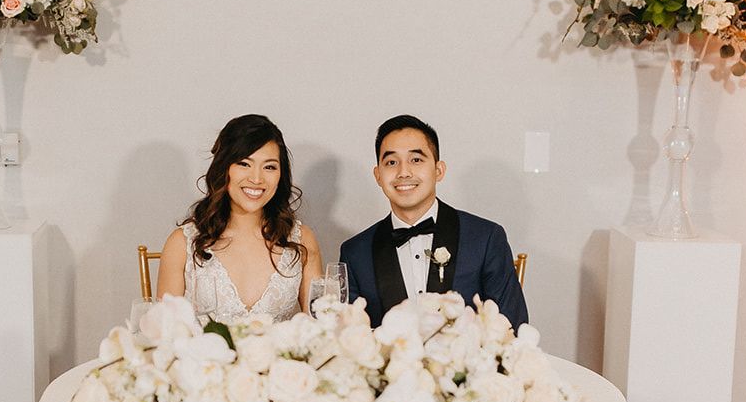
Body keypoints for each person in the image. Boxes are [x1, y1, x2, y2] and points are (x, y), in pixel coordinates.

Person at [339, 113, 527, 330]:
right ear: (378, 175)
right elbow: (348, 336)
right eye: (391, 162)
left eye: (416, 160)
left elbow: (512, 325)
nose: (403, 172)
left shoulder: (485, 238)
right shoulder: (355, 253)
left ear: (439, 170)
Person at [158, 114, 322, 323]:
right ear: (223, 167)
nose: (256, 179)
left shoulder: (302, 240)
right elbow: (166, 335)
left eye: (269, 167)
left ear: (281, 175)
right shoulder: (181, 243)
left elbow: (320, 330)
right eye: (244, 164)